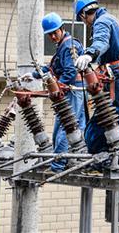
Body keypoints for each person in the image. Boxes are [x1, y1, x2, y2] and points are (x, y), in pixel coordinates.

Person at [22, 12, 86, 172]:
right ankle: (72, 159)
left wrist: (58, 89)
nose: (52, 36)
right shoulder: (63, 46)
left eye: (54, 33)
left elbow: (70, 72)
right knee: (71, 126)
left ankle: (59, 165)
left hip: (73, 90)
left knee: (66, 126)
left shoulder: (69, 45)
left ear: (62, 29)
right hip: (74, 90)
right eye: (49, 34)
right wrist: (34, 74)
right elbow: (52, 68)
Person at [73, 0, 119, 154]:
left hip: (118, 79)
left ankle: (101, 161)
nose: (86, 24)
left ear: (83, 14)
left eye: (83, 20)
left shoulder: (101, 22)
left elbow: (101, 42)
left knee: (98, 126)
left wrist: (89, 54)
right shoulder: (115, 20)